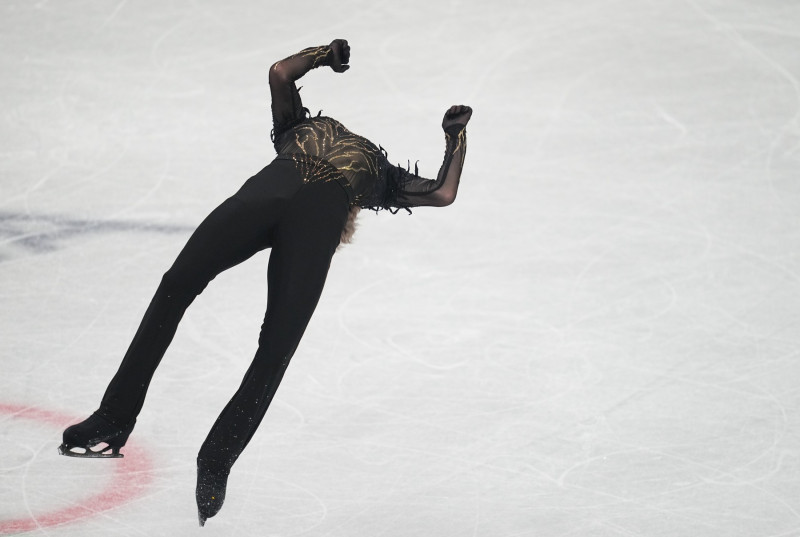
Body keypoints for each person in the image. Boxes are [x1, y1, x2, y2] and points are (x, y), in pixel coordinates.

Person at [58, 39, 471, 526]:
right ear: (351, 221)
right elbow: (442, 191)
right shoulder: (374, 176)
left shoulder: (305, 136)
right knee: (245, 329)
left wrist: (325, 56)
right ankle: (134, 428)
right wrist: (455, 139)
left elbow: (280, 73)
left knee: (196, 298)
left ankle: (192, 448)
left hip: (265, 199)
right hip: (304, 223)